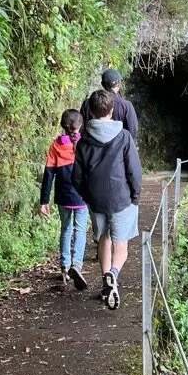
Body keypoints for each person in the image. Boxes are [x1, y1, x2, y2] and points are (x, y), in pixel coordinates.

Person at [72, 88, 143, 310]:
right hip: (121, 198)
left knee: (104, 237)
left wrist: (87, 195)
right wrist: (135, 195)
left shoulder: (84, 141)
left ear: (90, 112)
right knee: (121, 244)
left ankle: (105, 282)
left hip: (96, 199)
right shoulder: (123, 137)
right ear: (112, 111)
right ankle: (113, 273)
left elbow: (77, 176)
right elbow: (134, 170)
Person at [39, 109, 89, 291]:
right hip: (82, 196)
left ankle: (64, 267)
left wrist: (44, 201)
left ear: (63, 125)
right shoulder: (84, 144)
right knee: (81, 231)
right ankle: (77, 264)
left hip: (62, 196)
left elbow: (48, 174)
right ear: (80, 125)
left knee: (66, 229)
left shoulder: (55, 145)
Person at [80, 68, 139, 141]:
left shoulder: (87, 103)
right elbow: (133, 131)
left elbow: (81, 128)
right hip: (117, 148)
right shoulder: (126, 105)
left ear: (102, 84)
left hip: (92, 147)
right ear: (119, 84)